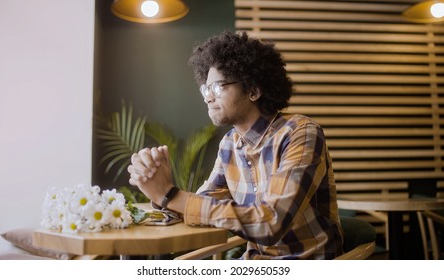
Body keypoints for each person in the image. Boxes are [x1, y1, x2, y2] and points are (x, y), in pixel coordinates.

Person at [127, 30, 343, 259]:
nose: (208, 98)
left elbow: (271, 222)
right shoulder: (230, 144)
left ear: (253, 90)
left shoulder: (300, 133)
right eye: (205, 89)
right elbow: (201, 205)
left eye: (218, 87)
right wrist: (156, 187)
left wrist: (170, 195)